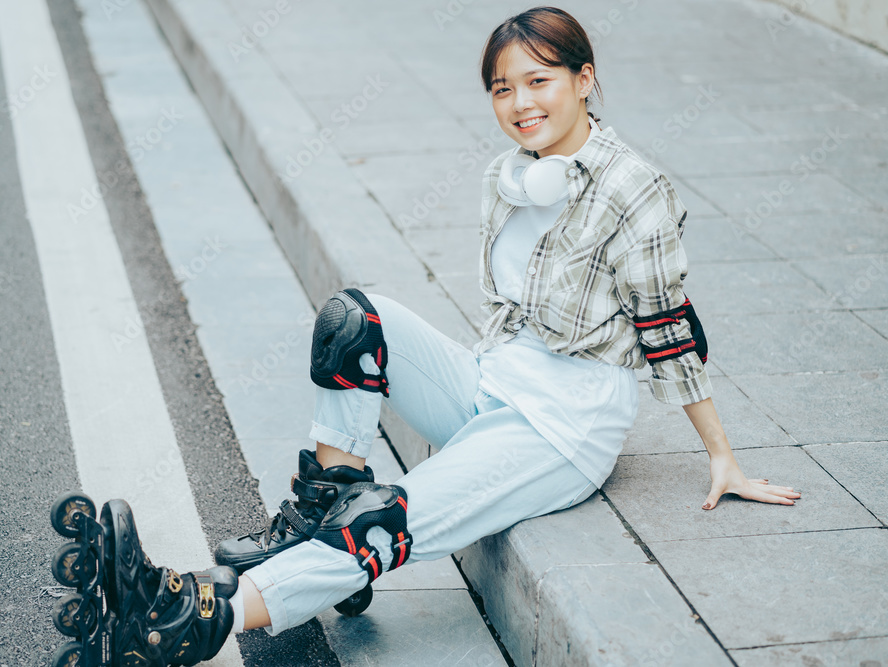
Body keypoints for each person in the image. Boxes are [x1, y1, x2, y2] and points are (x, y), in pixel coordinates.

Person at [67, 7, 801, 663]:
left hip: (562, 426)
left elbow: (667, 324)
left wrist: (721, 454)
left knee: (382, 521)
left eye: (539, 81)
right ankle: (323, 511)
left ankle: (186, 617)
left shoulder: (633, 188)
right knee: (355, 320)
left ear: (585, 80)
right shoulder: (508, 177)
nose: (519, 104)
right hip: (495, 381)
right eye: (502, 88)